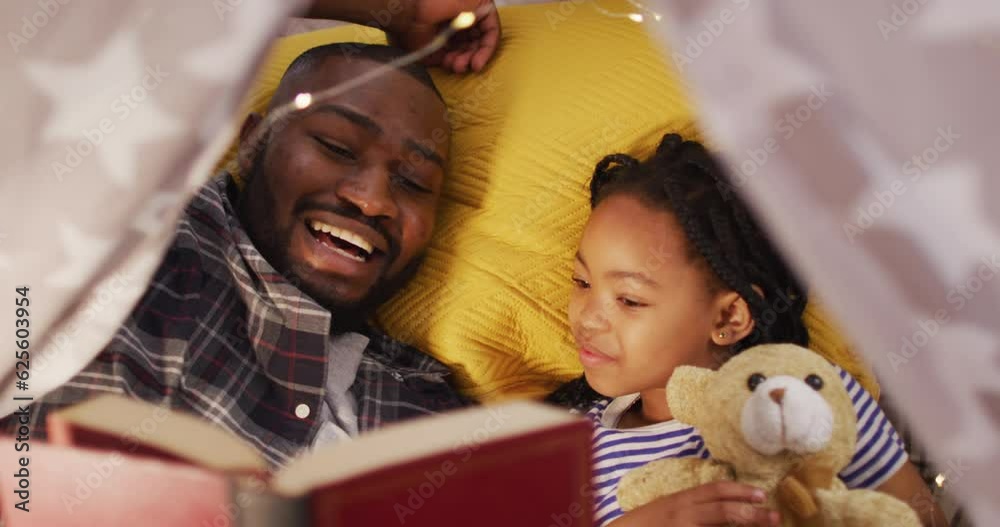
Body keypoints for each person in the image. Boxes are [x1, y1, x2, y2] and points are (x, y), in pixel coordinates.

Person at [1, 0, 500, 467]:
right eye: (336, 146)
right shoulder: (126, 240)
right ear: (253, 142)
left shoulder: (435, 414)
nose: (372, 200)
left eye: (413, 182)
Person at [546, 134, 948, 526]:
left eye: (629, 300)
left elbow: (920, 518)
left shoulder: (807, 392)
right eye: (582, 282)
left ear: (729, 318)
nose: (588, 317)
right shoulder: (566, 442)